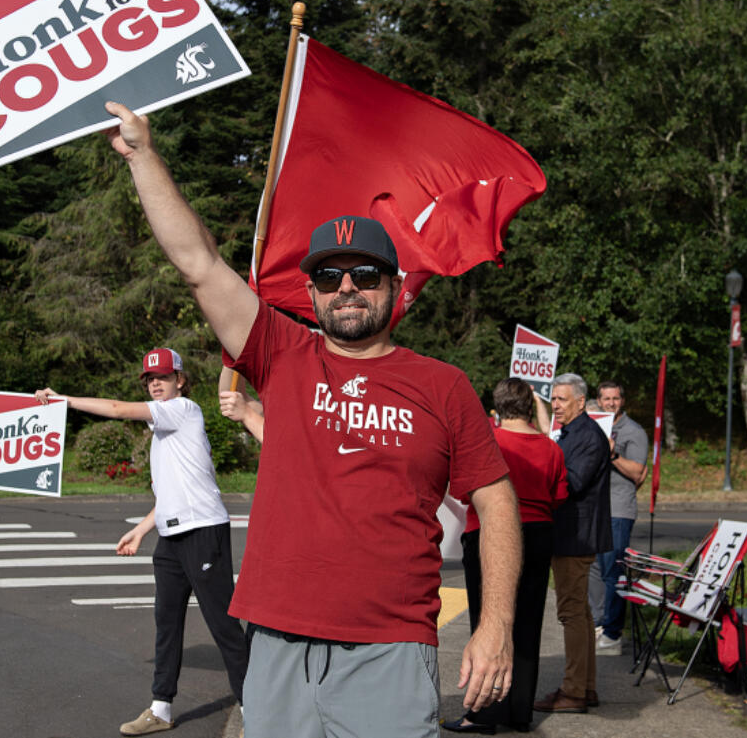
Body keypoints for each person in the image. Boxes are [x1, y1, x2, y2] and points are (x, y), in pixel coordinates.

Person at [103, 101, 523, 738]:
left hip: (391, 648)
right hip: (276, 644)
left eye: (364, 274)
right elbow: (198, 263)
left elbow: (497, 503)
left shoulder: (443, 385)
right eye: (329, 276)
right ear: (313, 291)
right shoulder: (284, 354)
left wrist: (494, 628)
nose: (346, 286)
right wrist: (143, 157)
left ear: (391, 284)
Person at [34, 348, 248, 736]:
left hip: (202, 531)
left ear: (180, 380)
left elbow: (117, 409)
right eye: (150, 379)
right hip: (171, 536)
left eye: (162, 377)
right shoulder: (162, 432)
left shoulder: (183, 411)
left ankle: (256, 709)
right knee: (166, 623)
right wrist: (141, 529)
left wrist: (62, 400)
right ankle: (161, 708)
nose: (155, 384)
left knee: (223, 625)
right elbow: (173, 491)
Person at [444, 379, 568, 734]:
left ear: (497, 407)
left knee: (487, 623)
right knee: (527, 624)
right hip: (539, 533)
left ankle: (483, 714)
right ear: (530, 406)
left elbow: (464, 491)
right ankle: (519, 711)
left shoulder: (488, 442)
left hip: (489, 533)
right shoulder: (550, 448)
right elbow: (559, 496)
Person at [534, 373, 612, 715]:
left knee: (571, 613)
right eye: (554, 400)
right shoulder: (572, 432)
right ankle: (585, 687)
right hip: (570, 534)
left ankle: (574, 690)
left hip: (575, 537)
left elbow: (573, 481)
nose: (556, 406)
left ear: (581, 402)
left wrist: (542, 468)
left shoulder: (588, 436)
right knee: (579, 612)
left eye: (562, 400)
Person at [592, 381, 648, 657]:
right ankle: (599, 625)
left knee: (614, 572)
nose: (611, 403)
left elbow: (638, 473)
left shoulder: (633, 432)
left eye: (615, 398)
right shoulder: (594, 425)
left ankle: (614, 635)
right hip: (594, 511)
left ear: (622, 401)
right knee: (595, 571)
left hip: (618, 511)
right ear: (598, 401)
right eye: (606, 398)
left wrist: (612, 452)